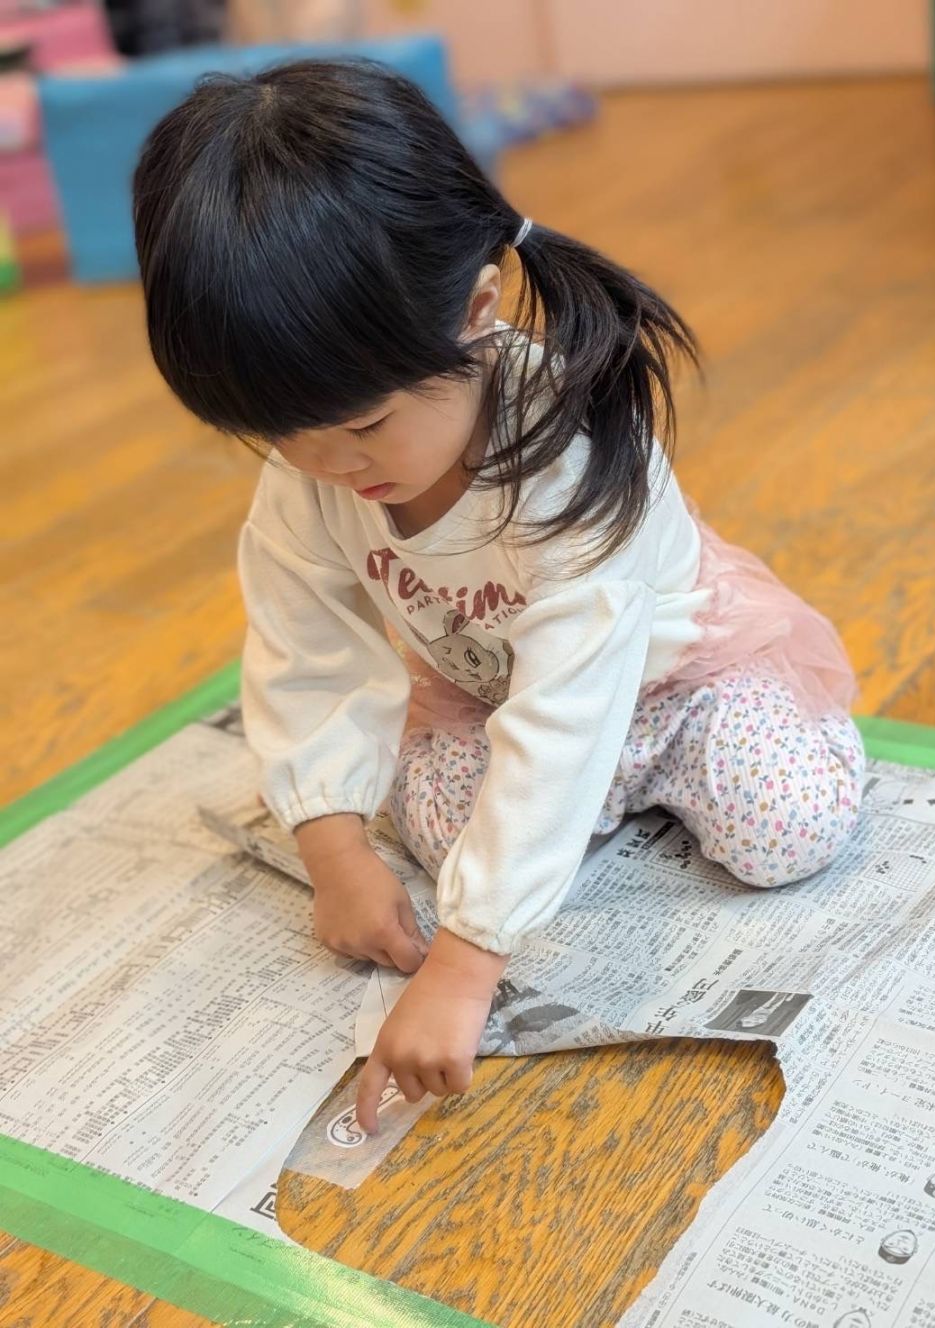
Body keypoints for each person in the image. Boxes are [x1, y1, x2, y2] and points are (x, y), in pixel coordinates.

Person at [132, 59, 864, 1134]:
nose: (330, 467)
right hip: (487, 691)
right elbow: (301, 645)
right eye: (283, 436)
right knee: (423, 829)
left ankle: (652, 783)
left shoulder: (570, 454)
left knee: (787, 827)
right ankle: (576, 818)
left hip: (672, 680)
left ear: (477, 311)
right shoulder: (313, 469)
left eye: (366, 427)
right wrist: (330, 848)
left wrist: (467, 965)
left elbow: (571, 702)